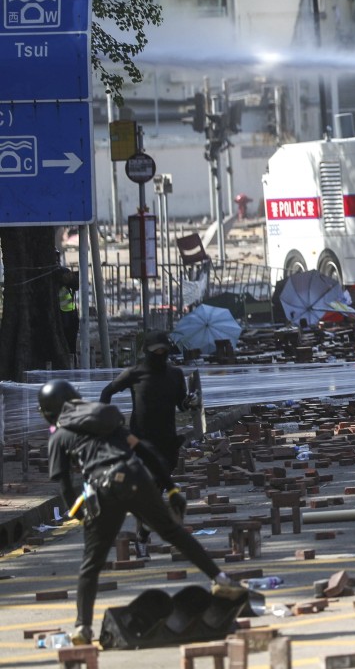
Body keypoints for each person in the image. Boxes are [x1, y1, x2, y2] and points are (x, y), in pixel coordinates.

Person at [39, 379, 245, 646]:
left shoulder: (59, 436)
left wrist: (79, 514)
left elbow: (65, 485)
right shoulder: (106, 421)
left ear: (48, 411)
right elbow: (144, 450)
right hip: (135, 476)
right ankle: (222, 580)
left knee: (91, 564)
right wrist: (170, 488)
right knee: (172, 531)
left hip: (104, 488)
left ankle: (82, 629)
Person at [100, 330, 196, 559]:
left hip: (168, 443)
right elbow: (107, 391)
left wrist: (191, 401)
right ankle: (142, 538)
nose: (160, 356)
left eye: (164, 352)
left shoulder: (175, 375)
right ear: (147, 353)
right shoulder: (134, 374)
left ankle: (142, 533)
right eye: (156, 352)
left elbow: (182, 405)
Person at [57, 266, 79, 360]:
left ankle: (72, 362)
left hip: (69, 315)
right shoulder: (55, 274)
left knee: (71, 345)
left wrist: (69, 277)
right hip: (63, 316)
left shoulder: (63, 271)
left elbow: (76, 285)